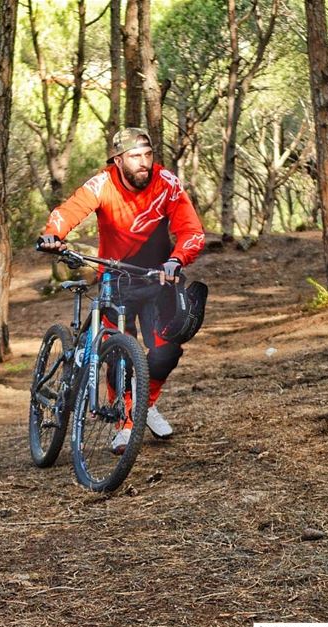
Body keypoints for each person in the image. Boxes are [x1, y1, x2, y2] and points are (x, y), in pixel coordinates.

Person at [37, 127, 205, 453]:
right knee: (117, 354)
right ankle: (125, 423)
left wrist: (176, 260)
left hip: (157, 278)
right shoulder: (103, 183)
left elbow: (191, 230)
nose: (144, 163)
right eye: (134, 157)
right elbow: (68, 211)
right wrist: (53, 234)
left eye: (147, 155)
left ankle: (146, 404)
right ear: (117, 160)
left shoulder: (166, 183)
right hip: (115, 278)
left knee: (167, 352)